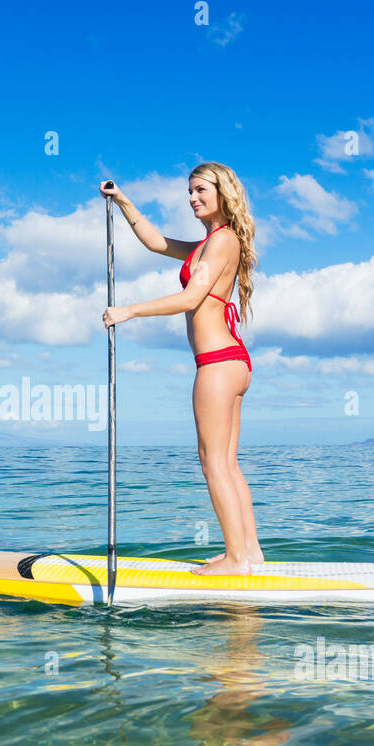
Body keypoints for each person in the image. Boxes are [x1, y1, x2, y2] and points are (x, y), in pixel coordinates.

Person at [100, 163, 262, 575]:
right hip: (232, 362)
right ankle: (249, 552)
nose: (193, 198)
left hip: (218, 363)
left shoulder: (222, 242)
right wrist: (122, 201)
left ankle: (237, 559)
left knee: (212, 462)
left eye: (201, 190)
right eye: (189, 191)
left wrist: (130, 310)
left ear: (223, 192)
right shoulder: (210, 243)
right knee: (227, 462)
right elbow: (156, 243)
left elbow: (191, 299)